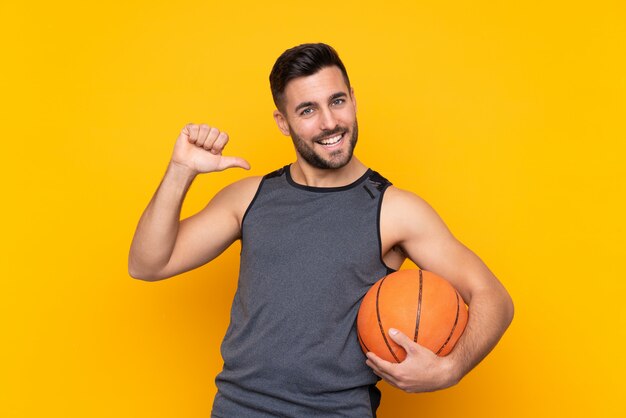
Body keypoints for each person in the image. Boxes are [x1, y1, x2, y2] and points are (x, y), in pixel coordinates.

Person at [128, 43, 514, 417]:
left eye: (337, 101)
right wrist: (181, 172)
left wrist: (450, 369)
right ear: (283, 122)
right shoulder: (247, 198)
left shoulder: (395, 210)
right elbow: (147, 264)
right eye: (308, 109)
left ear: (353, 100)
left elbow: (492, 297)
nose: (329, 122)